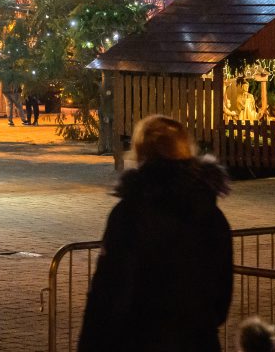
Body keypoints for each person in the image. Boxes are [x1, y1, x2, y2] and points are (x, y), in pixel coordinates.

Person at [78, 115, 232, 352]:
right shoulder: (211, 216)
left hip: (140, 341)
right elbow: (221, 301)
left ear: (140, 153)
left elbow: (109, 293)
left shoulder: (130, 214)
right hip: (199, 341)